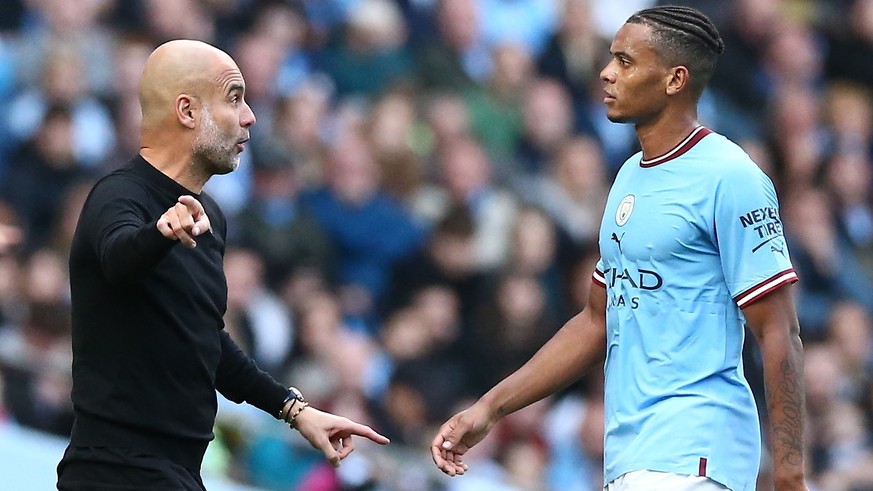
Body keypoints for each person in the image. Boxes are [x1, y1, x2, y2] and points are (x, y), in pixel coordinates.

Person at [432, 6, 807, 491]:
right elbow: (597, 319)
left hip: (696, 452)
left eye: (626, 61)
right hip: (630, 454)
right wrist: (491, 407)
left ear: (675, 79)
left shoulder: (730, 176)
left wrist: (791, 476)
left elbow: (779, 331)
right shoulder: (629, 177)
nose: (607, 73)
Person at [56, 39, 389, 491]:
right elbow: (119, 257)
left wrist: (295, 411)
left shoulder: (210, 216)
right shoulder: (118, 195)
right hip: (114, 472)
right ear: (188, 112)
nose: (250, 116)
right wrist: (159, 233)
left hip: (177, 474)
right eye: (234, 97)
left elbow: (204, 339)